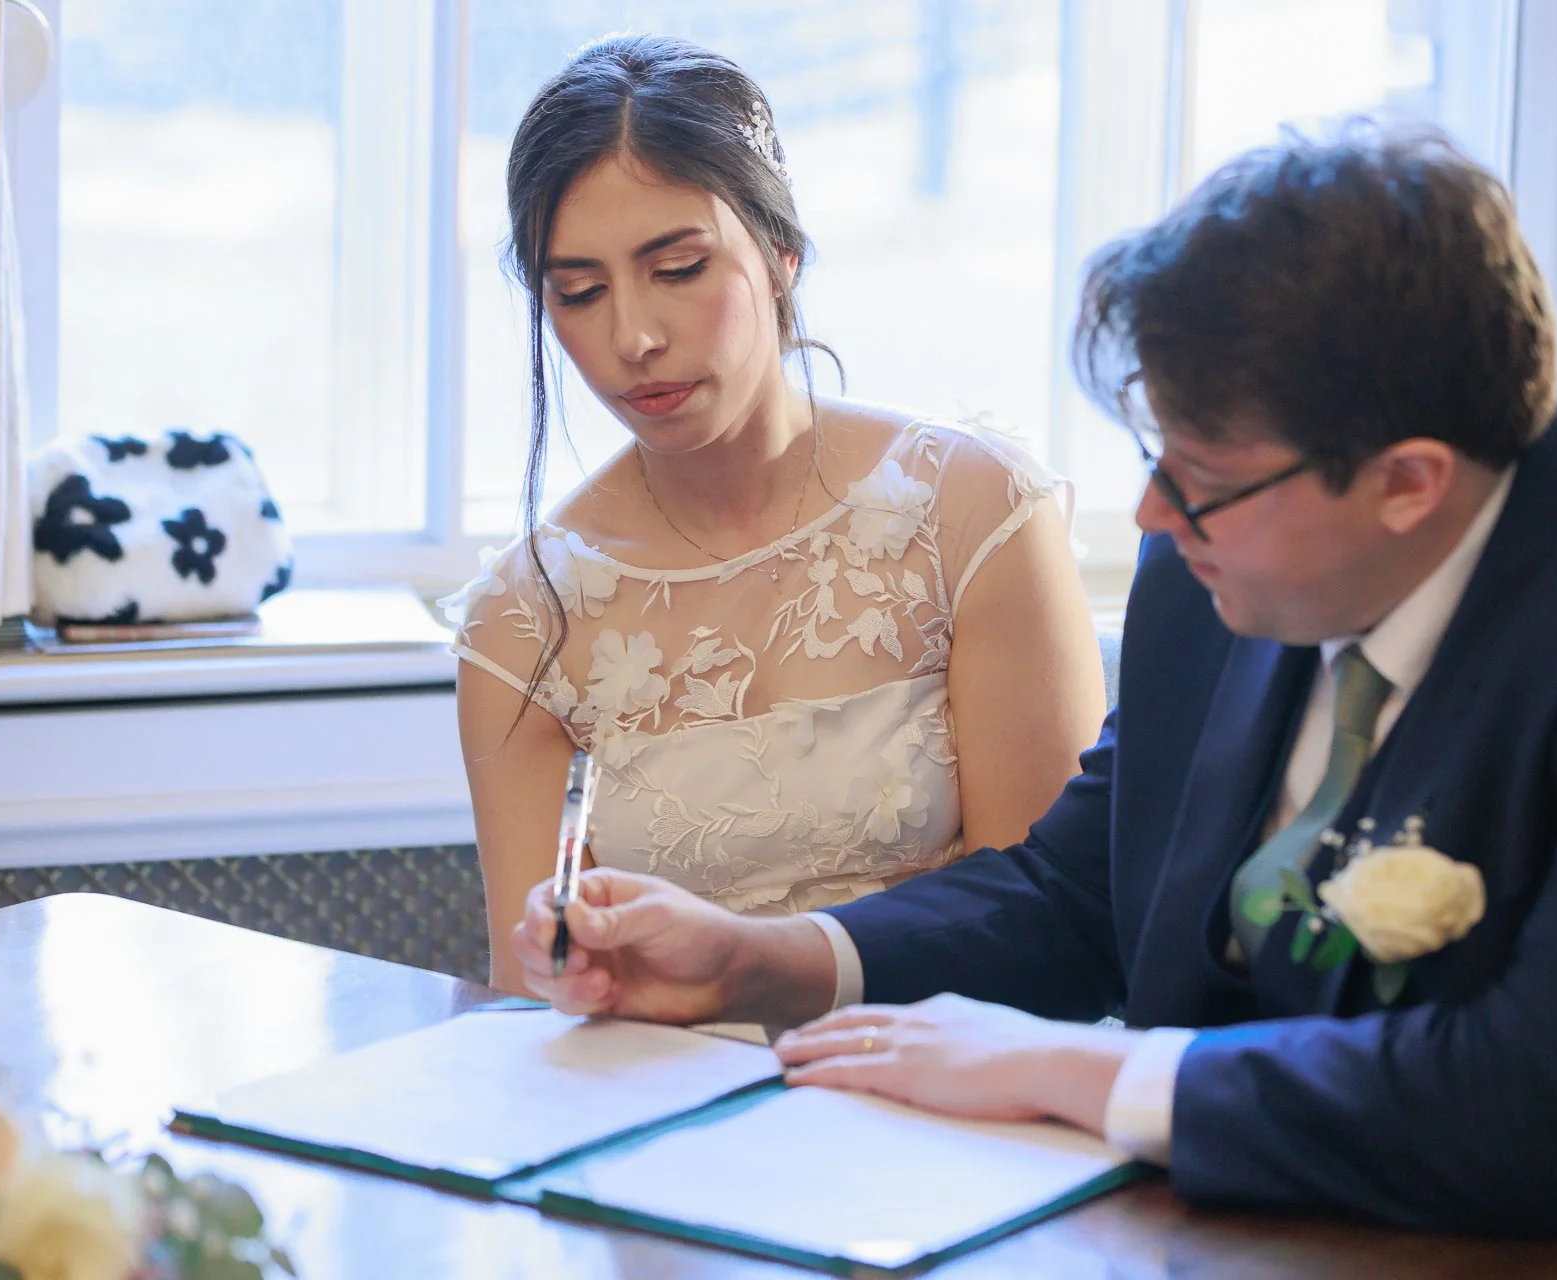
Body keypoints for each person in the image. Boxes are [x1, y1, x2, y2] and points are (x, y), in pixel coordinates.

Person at [508, 122, 1557, 1245]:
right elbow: (1079, 891)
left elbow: (1537, 1109)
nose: (1153, 510)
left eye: (1202, 471)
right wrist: (756, 959)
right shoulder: (1222, 556)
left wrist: (1077, 1071)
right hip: (1236, 1221)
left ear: (1408, 482)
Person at [444, 35, 1106, 993]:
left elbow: (1052, 929)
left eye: (678, 269)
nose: (632, 336)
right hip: (661, 1108)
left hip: (956, 1086)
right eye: (579, 293)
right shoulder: (523, 621)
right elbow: (532, 994)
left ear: (781, 252)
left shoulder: (972, 514)